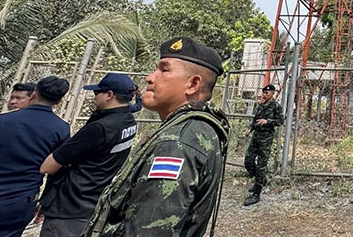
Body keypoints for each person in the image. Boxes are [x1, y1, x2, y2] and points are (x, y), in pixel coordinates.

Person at [81, 37, 230, 237]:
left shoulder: (176, 143)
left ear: (193, 84)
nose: (150, 78)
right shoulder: (195, 129)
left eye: (164, 70)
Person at [0, 76, 70, 237]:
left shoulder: (0, 122)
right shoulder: (61, 129)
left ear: (33, 94)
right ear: (58, 102)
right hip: (20, 205)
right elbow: (59, 170)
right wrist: (46, 201)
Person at [38, 73, 139, 237]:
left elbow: (48, 166)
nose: (94, 97)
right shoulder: (128, 121)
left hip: (70, 208)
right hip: (93, 201)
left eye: (96, 92)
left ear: (109, 95)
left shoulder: (99, 128)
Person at [243, 83, 284, 206]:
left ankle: (257, 193)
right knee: (248, 161)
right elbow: (255, 120)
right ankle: (261, 179)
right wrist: (249, 130)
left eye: (266, 93)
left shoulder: (276, 107)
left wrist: (268, 121)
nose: (264, 95)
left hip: (266, 139)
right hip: (256, 138)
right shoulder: (261, 106)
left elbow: (280, 121)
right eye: (263, 93)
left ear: (272, 93)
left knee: (261, 165)